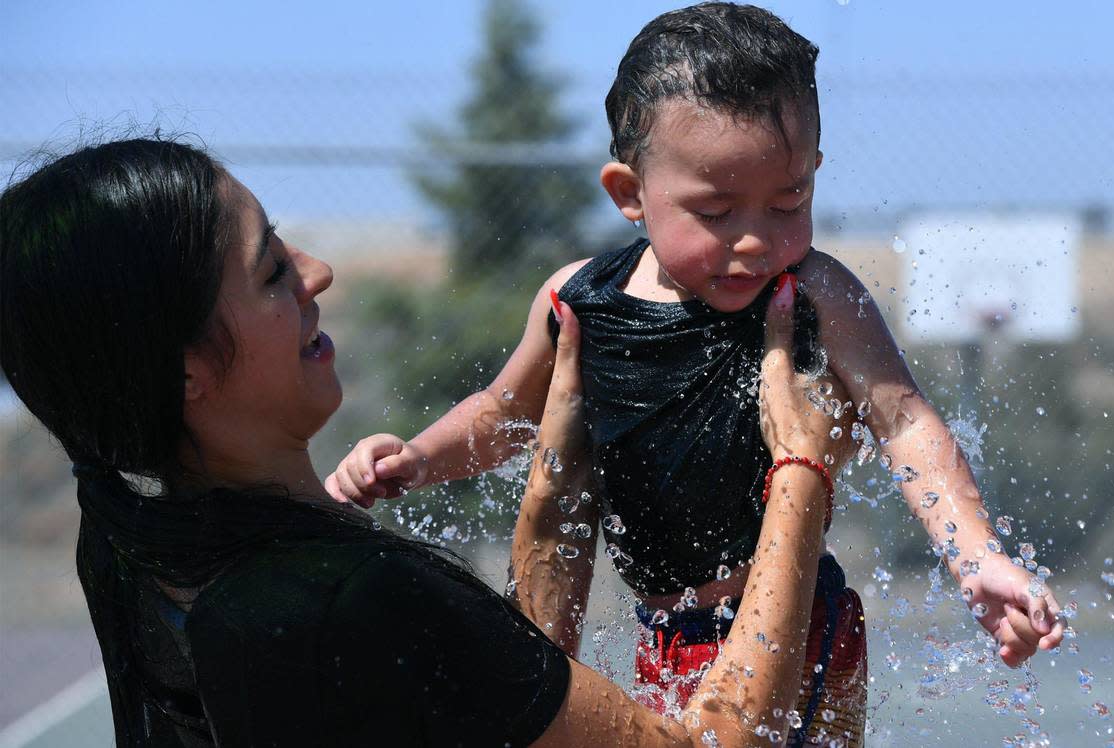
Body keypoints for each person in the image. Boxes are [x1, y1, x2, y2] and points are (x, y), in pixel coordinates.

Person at [328, 2, 1065, 737]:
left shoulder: (815, 294)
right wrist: (416, 458)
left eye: (789, 201)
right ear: (630, 194)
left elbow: (903, 420)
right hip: (668, 632)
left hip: (800, 626)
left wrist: (978, 558)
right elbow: (504, 415)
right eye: (716, 212)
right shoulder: (578, 300)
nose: (755, 241)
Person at [2, 136, 848, 746]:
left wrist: (563, 473)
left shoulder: (146, 561)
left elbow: (491, 705)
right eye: (270, 272)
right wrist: (798, 471)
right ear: (186, 370)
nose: (316, 274)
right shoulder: (333, 599)